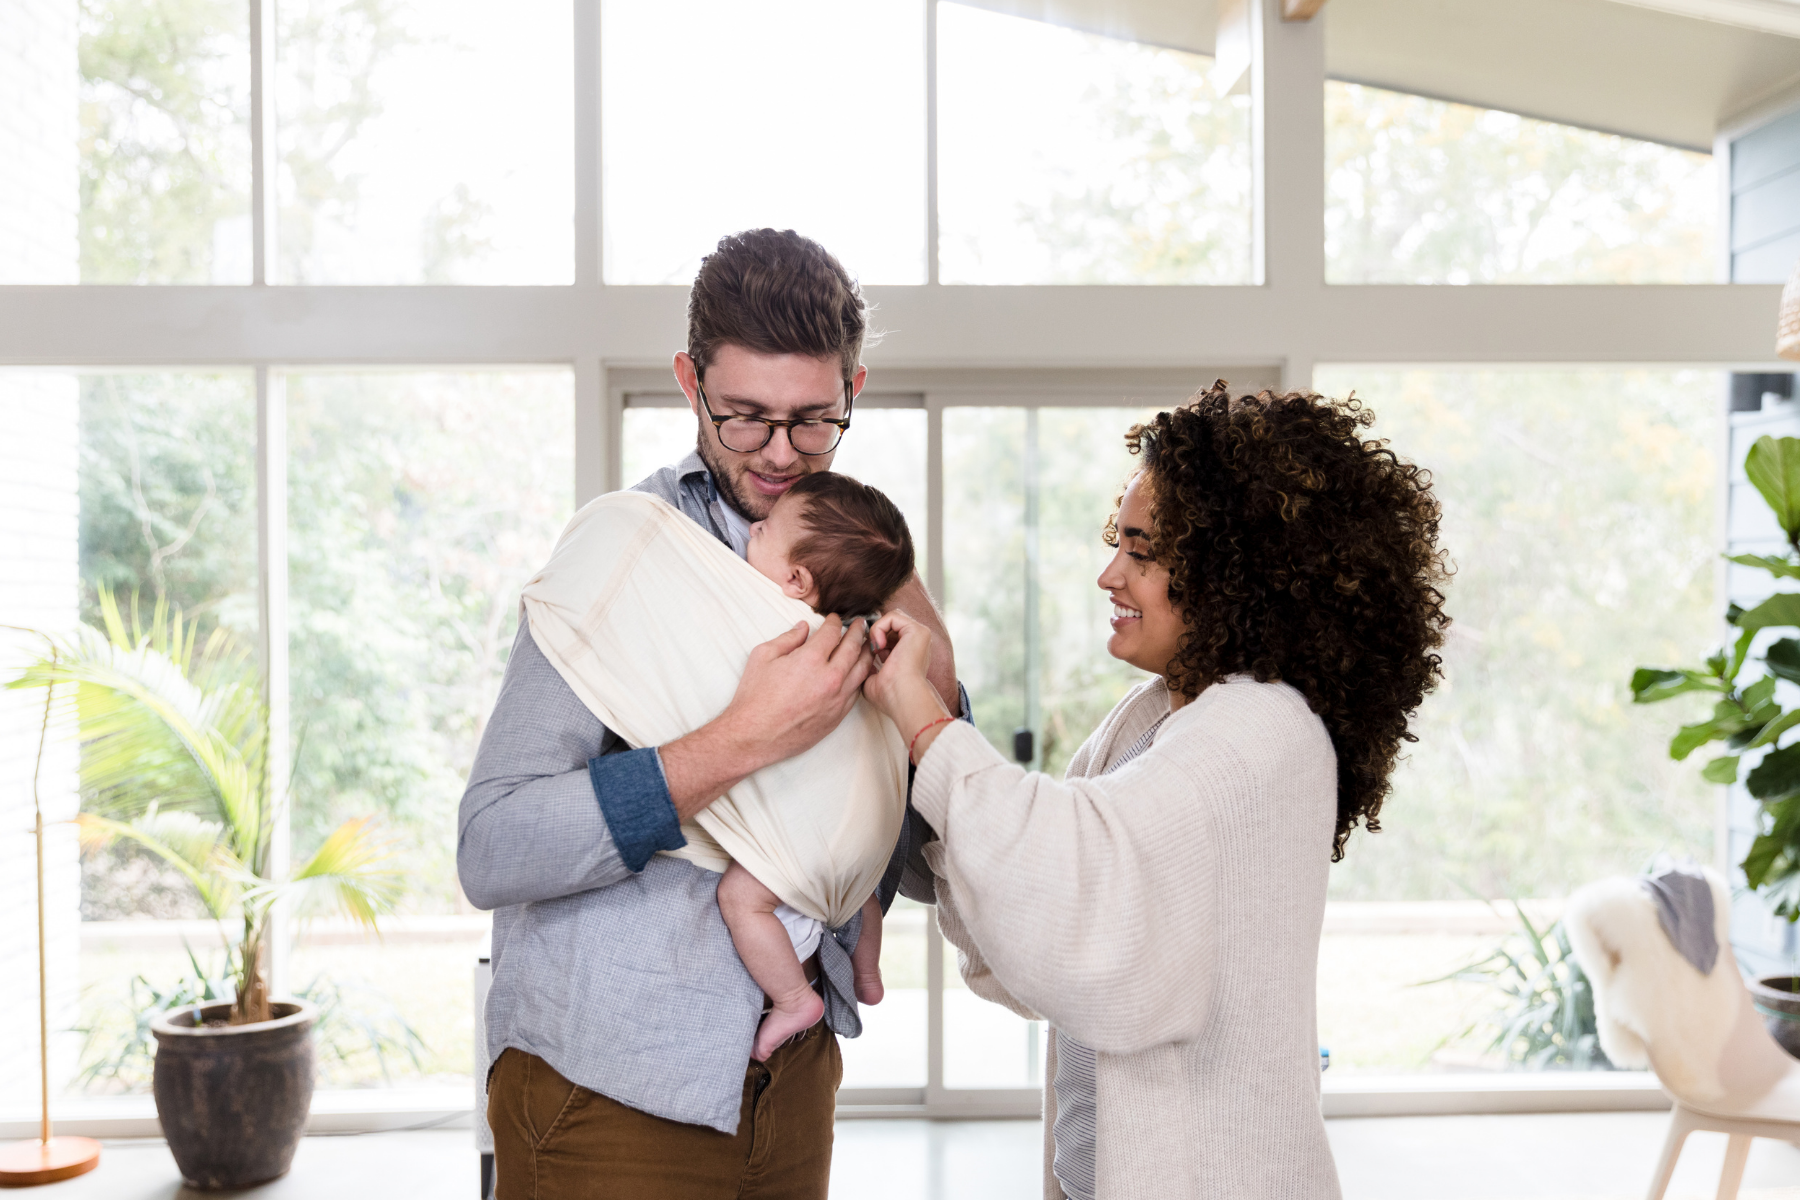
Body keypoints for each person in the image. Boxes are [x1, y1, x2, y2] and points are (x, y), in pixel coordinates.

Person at [459, 229, 960, 1200]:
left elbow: (925, 840)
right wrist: (738, 741)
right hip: (611, 1087)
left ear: (853, 388)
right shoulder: (624, 558)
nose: (779, 454)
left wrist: (923, 649)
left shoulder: (867, 560)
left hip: (794, 1078)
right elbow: (494, 845)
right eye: (744, 418)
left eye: (814, 420)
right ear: (691, 381)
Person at [862, 383, 1450, 1199]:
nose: (1110, 574)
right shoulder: (1155, 714)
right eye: (1119, 542)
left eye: (1142, 552)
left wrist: (928, 721)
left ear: (1239, 573)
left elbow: (1086, 886)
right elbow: (1049, 905)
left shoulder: (1259, 730)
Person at [729, 471, 917, 1060]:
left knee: (741, 898)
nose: (751, 529)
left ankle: (792, 999)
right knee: (859, 887)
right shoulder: (863, 639)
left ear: (795, 579)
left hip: (804, 823)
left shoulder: (776, 633)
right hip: (862, 828)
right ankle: (867, 973)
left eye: (763, 530)